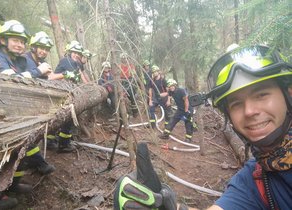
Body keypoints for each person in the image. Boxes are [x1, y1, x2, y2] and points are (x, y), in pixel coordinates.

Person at [113, 44, 292, 210]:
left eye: (261, 95)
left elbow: (183, 102)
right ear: (228, 115)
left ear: (289, 93)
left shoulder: (258, 179)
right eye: (236, 104)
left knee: (188, 124)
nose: (249, 111)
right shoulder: (255, 180)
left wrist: (186, 112)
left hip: (186, 112)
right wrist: (165, 206)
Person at [0, 20, 55, 209]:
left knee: (19, 151)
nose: (19, 45)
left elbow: (27, 81)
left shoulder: (20, 60)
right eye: (15, 40)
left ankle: (12, 186)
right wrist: (37, 71)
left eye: (22, 41)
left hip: (13, 114)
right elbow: (9, 81)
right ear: (3, 40)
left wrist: (38, 74)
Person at [159, 79, 194, 143]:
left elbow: (186, 101)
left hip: (188, 109)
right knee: (173, 120)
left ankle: (188, 138)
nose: (171, 88)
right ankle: (166, 134)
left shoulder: (181, 91)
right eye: (169, 87)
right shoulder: (170, 91)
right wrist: (168, 101)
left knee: (188, 123)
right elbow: (169, 95)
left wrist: (186, 111)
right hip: (180, 109)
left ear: (175, 85)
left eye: (172, 86)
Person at [119, 52, 138, 117]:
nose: (125, 59)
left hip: (130, 81)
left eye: (126, 58)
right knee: (122, 97)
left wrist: (132, 81)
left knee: (132, 96)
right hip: (122, 82)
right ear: (121, 59)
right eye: (123, 58)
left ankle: (135, 112)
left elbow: (134, 75)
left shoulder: (131, 66)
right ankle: (124, 113)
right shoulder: (119, 66)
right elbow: (117, 76)